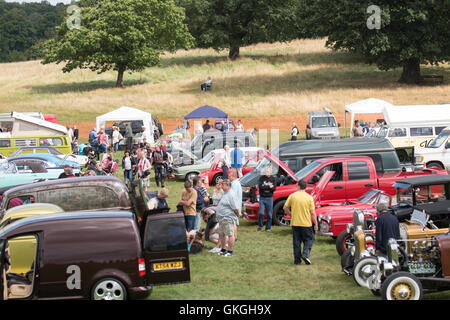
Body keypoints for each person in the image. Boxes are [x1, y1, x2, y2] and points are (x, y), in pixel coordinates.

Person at [283, 180, 318, 265]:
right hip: (306, 224)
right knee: (310, 239)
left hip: (295, 223)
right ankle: (305, 254)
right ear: (305, 187)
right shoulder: (309, 197)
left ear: (298, 186)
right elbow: (313, 213)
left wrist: (291, 214)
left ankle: (297, 261)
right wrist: (316, 224)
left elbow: (285, 208)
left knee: (297, 242)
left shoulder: (292, 196)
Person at [216, 179, 241, 257]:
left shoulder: (231, 194)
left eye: (223, 184)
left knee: (230, 234)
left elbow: (235, 208)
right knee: (222, 234)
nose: (221, 186)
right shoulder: (225, 193)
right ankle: (223, 250)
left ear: (228, 185)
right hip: (222, 218)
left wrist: (237, 215)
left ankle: (230, 251)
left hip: (228, 217)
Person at [257, 165, 277, 232]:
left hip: (269, 198)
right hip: (262, 198)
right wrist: (269, 187)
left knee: (269, 214)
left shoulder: (273, 179)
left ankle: (268, 228)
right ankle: (260, 226)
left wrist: (265, 186)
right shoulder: (261, 178)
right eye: (266, 171)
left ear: (271, 171)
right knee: (261, 213)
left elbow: (274, 189)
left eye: (269, 171)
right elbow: (260, 187)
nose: (267, 172)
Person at [229, 170, 242, 240]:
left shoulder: (234, 184)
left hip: (234, 206)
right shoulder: (237, 183)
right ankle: (234, 236)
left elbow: (232, 195)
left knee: (233, 222)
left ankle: (235, 236)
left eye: (229, 176)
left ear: (233, 176)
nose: (228, 178)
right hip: (237, 205)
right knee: (233, 221)